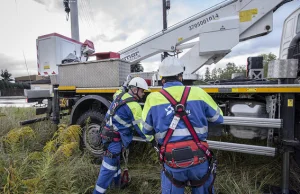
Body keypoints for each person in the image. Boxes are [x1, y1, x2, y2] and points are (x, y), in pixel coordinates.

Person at [142, 57, 224, 194]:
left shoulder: (153, 99)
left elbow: (146, 129)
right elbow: (218, 118)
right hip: (199, 159)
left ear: (162, 79)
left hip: (172, 163)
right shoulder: (198, 93)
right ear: (181, 76)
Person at [93, 77, 153, 194]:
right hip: (114, 141)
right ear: (135, 89)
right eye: (142, 91)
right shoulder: (134, 106)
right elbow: (142, 129)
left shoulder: (119, 95)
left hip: (107, 136)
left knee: (115, 162)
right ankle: (97, 192)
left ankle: (117, 186)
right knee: (108, 168)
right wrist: (153, 140)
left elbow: (119, 91)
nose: (143, 94)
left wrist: (125, 86)